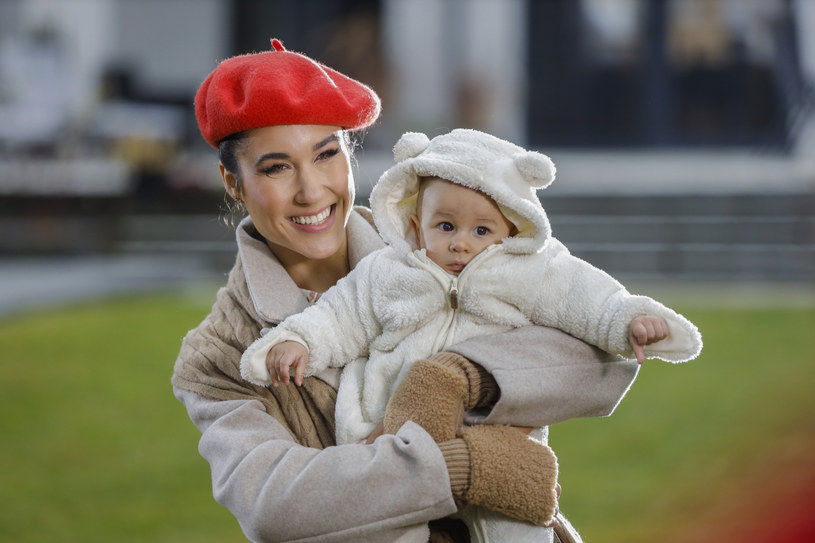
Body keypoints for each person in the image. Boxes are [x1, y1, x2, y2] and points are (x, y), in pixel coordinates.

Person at [172, 39, 642, 543]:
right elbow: (276, 504)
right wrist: (464, 465)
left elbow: (606, 358)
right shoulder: (218, 356)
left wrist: (456, 378)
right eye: (276, 167)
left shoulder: (444, 241)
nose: (311, 191)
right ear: (232, 182)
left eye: (326, 155)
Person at [239, 128, 703, 542]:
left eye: (481, 229)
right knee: (385, 527)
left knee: (515, 526)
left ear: (512, 229)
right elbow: (341, 315)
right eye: (446, 226)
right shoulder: (387, 272)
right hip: (387, 434)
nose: (461, 242)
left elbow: (587, 299)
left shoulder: (530, 272)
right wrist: (299, 340)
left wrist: (629, 319)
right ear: (417, 225)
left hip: (498, 438)